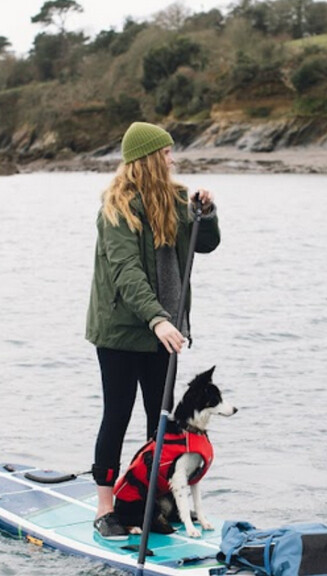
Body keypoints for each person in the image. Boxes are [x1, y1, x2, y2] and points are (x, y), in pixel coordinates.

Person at [85, 121, 220, 539]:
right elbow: (126, 272)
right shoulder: (116, 209)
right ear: (147, 160)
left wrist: (206, 213)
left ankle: (149, 503)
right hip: (121, 330)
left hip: (165, 330)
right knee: (118, 413)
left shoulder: (177, 200)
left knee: (158, 421)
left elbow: (206, 244)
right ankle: (106, 508)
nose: (172, 159)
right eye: (165, 154)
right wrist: (158, 318)